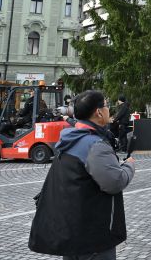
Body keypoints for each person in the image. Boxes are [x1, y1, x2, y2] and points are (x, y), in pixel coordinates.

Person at [29, 90, 135, 260]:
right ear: (98, 112)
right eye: (106, 105)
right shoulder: (94, 145)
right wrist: (129, 165)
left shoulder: (68, 138)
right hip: (92, 235)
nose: (109, 109)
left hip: (72, 230)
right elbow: (114, 182)